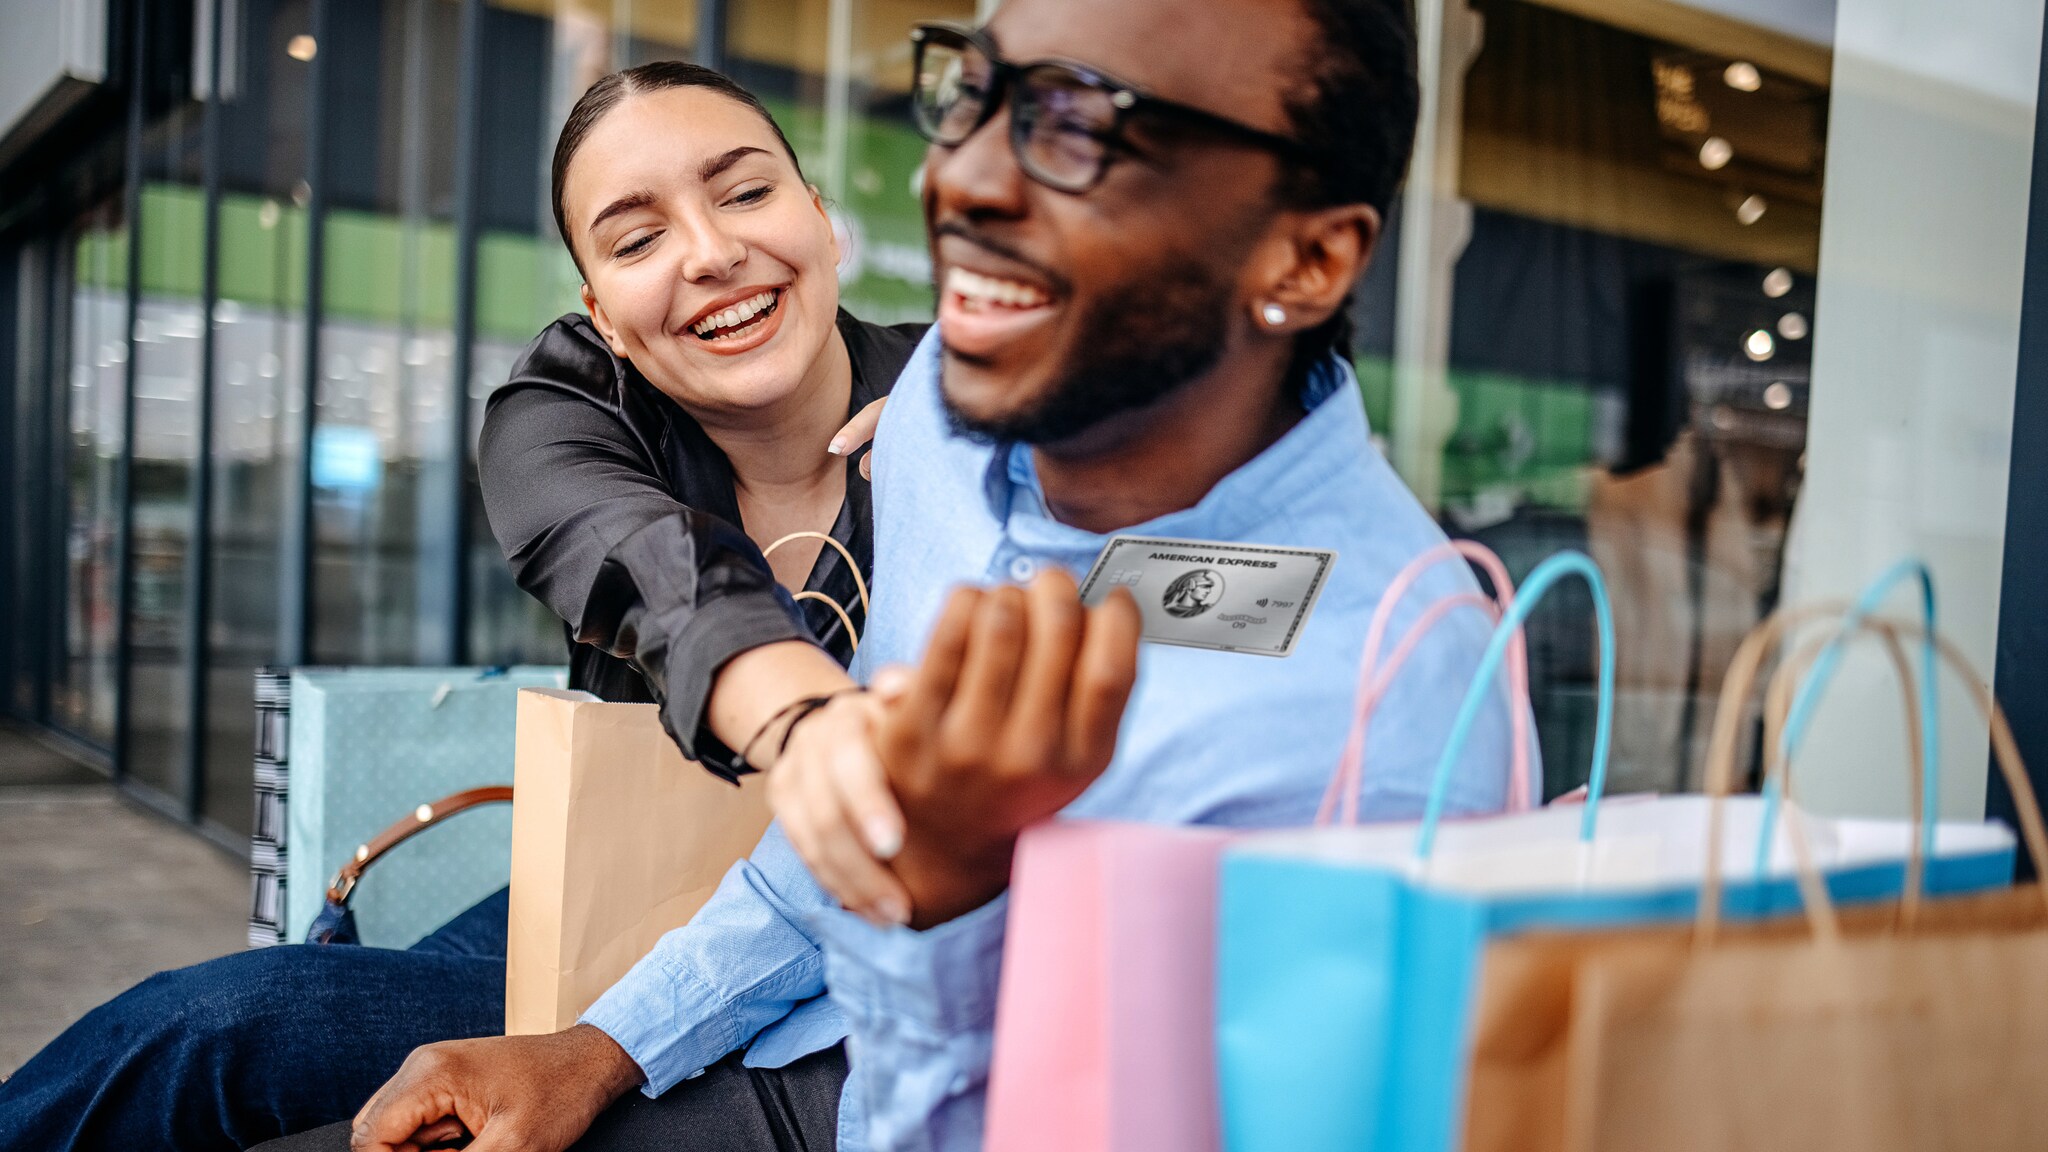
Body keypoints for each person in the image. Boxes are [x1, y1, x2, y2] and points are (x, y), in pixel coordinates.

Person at [295, 0, 1522, 1149]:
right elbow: (812, 853)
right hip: (765, 1020)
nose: (960, 178)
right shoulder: (936, 416)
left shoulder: (1391, 707)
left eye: (1085, 125)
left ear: (1304, 260)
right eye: (976, 95)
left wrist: (932, 908)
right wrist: (596, 1048)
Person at [0, 62, 919, 1152]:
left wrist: (955, 446)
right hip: (617, 897)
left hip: (851, 957)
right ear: (602, 315)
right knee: (217, 1030)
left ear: (820, 217)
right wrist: (804, 726)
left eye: (746, 193)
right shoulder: (568, 404)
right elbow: (650, 563)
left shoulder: (959, 412)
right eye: (634, 240)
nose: (710, 253)